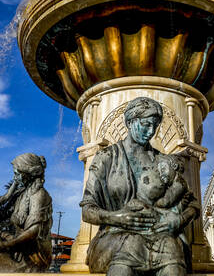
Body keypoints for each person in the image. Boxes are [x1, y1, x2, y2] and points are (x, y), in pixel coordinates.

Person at [80, 97, 199, 276]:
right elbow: (87, 210)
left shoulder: (163, 162)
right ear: (130, 122)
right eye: (145, 124)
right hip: (115, 236)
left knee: (173, 253)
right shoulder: (106, 157)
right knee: (130, 250)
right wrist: (116, 217)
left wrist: (179, 220)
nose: (150, 131)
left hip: (159, 236)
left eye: (154, 126)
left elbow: (193, 204)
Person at [0, 153, 53, 272]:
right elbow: (3, 215)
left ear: (29, 174)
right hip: (19, 247)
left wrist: (6, 245)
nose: (14, 178)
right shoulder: (22, 195)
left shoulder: (39, 195)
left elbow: (34, 231)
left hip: (34, 255)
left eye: (17, 174)